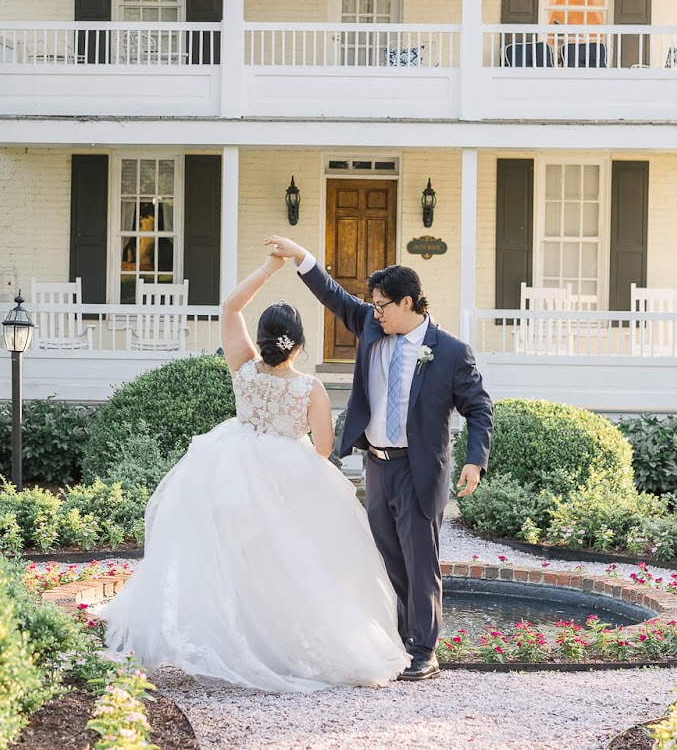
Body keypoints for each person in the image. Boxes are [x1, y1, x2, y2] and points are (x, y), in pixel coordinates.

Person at [100, 251, 409, 692]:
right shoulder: (311, 387)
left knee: (233, 561)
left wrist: (268, 269)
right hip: (291, 470)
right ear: (299, 345)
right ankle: (282, 646)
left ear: (261, 340)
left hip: (229, 463)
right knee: (291, 562)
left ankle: (239, 639)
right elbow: (324, 447)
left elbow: (230, 308)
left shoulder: (242, 367)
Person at [265, 235, 494, 682]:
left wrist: (474, 459)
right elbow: (333, 295)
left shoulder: (449, 352)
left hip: (419, 468)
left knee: (419, 560)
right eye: (372, 305)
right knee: (387, 558)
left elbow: (479, 407)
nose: (375, 311)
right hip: (376, 464)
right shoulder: (370, 327)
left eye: (382, 305)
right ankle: (399, 640)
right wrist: (301, 258)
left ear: (407, 303)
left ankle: (425, 650)